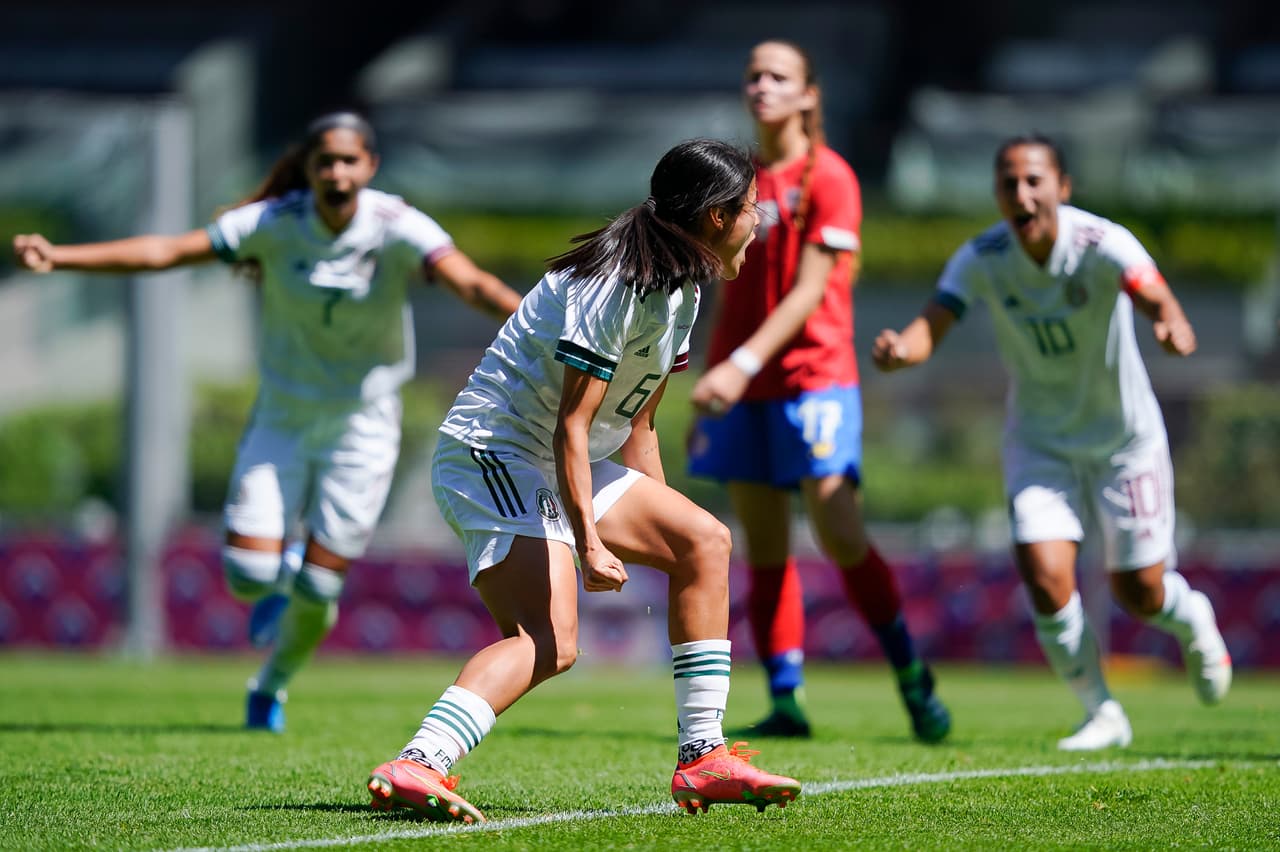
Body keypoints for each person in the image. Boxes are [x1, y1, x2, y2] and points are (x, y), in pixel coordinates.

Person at [11, 110, 523, 733]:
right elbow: (167, 251)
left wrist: (531, 322)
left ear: (370, 167)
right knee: (249, 575)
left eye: (348, 160)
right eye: (324, 161)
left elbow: (467, 281)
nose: (336, 172)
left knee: (320, 590)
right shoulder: (274, 224)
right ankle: (276, 580)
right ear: (306, 169)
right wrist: (61, 257)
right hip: (281, 419)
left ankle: (271, 684)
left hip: (364, 427)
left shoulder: (397, 225)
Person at [366, 138, 801, 823]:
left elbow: (640, 426)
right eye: (753, 208)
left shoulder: (681, 287)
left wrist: (661, 529)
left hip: (557, 454)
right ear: (717, 217)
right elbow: (573, 425)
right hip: (496, 454)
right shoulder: (615, 282)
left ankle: (703, 757)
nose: (762, 220)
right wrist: (591, 539)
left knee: (704, 541)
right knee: (551, 640)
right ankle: (419, 763)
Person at [871, 134, 1232, 750]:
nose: (1022, 193)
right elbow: (936, 320)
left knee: (1140, 592)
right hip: (1040, 444)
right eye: (1009, 183)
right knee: (1044, 575)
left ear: (1062, 188)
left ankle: (1193, 618)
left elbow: (1149, 287)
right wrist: (904, 349)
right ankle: (1101, 711)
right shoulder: (983, 256)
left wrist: (1169, 320)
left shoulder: (1102, 243)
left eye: (1035, 180)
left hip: (1125, 440)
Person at [686, 39, 951, 743]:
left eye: (779, 76)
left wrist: (739, 365)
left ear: (809, 95)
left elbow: (811, 291)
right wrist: (709, 368)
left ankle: (911, 676)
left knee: (839, 534)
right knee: (763, 546)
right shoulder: (735, 179)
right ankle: (787, 701)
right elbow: (723, 287)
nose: (762, 86)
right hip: (741, 384)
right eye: (753, 76)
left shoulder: (829, 176)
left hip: (814, 380)